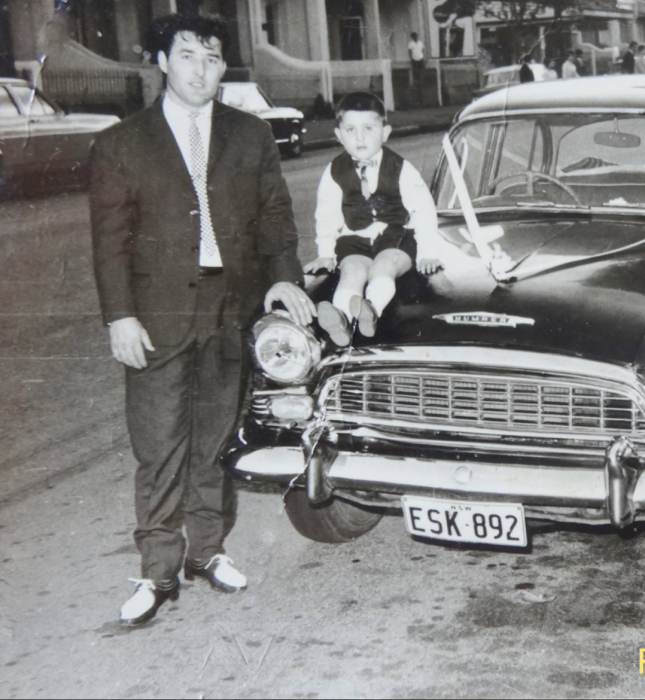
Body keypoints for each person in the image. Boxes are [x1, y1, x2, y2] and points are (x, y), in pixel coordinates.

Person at [89, 13, 314, 626]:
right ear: (162, 61)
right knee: (159, 443)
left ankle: (207, 552)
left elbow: (275, 216)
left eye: (213, 59)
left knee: (214, 441)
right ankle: (157, 571)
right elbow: (110, 244)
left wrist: (285, 278)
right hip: (156, 313)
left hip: (229, 305)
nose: (202, 70)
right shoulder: (121, 144)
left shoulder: (250, 135)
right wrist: (121, 318)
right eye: (188, 56)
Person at [304, 92, 443, 346]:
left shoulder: (401, 168)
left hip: (396, 238)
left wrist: (427, 253)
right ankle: (341, 320)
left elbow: (423, 210)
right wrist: (326, 252)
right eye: (350, 129)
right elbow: (327, 214)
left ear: (385, 132)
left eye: (368, 128)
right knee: (352, 271)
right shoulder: (334, 171)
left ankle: (371, 310)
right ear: (339, 135)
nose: (359, 137)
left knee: (384, 267)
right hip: (354, 239)